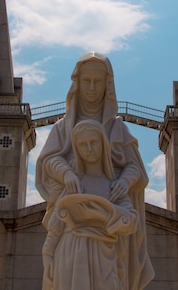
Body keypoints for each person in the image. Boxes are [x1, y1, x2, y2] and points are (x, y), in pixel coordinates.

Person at [36, 52, 154, 290]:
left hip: (107, 242)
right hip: (70, 242)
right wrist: (67, 174)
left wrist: (124, 182)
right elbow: (48, 160)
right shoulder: (62, 128)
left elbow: (134, 166)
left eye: (97, 81)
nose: (91, 87)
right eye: (86, 81)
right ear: (77, 84)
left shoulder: (117, 127)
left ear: (107, 85)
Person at [42, 120, 138, 290]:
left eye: (93, 142)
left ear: (103, 143)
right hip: (69, 252)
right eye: (83, 145)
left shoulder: (113, 186)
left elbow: (131, 222)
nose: (89, 149)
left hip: (104, 253)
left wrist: (105, 215)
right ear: (77, 149)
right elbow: (57, 220)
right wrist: (48, 254)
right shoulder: (74, 185)